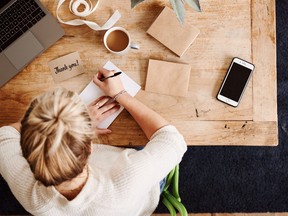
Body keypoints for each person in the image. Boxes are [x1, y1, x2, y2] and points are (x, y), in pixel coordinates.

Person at [0, 68, 187, 216]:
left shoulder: (32, 196)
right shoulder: (128, 178)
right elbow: (173, 140)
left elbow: (4, 135)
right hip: (137, 197)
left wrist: (69, 126)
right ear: (90, 146)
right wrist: (121, 93)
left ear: (27, 153)